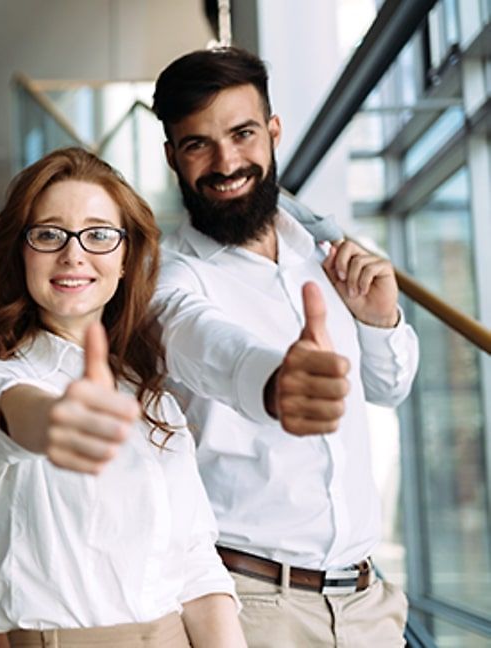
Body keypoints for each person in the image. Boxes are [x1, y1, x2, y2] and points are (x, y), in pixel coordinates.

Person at [146, 48, 421, 646]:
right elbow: (202, 340)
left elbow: (390, 386)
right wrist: (273, 381)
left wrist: (380, 320)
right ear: (172, 156)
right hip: (253, 608)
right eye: (198, 144)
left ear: (273, 132)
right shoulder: (168, 279)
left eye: (243, 133)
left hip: (368, 603)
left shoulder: (327, 254)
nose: (227, 162)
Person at [0, 147, 245, 648]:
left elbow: (196, 565)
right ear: (19, 252)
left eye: (99, 234)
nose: (74, 254)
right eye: (48, 234)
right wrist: (59, 420)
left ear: (126, 257)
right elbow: (21, 416)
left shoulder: (156, 401)